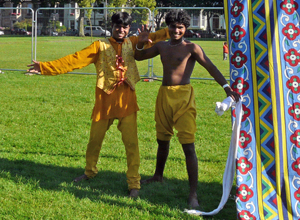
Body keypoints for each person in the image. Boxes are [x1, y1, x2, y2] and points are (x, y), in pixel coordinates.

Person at [27, 11, 169, 198]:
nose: (121, 30)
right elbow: (74, 60)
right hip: (104, 102)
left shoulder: (133, 42)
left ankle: (134, 183)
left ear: (128, 28)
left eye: (125, 27)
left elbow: (155, 37)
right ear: (112, 27)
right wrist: (45, 67)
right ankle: (89, 171)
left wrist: (174, 27)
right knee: (94, 140)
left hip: (127, 103)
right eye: (118, 26)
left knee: (132, 144)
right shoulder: (99, 46)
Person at [134, 9, 240, 208]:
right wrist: (141, 41)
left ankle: (193, 193)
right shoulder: (162, 47)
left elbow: (210, 66)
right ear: (168, 27)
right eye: (173, 26)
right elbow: (138, 57)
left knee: (188, 145)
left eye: (180, 27)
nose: (176, 30)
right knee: (162, 140)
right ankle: (158, 175)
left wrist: (226, 88)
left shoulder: (192, 47)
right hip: (164, 96)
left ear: (185, 29)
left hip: (184, 98)